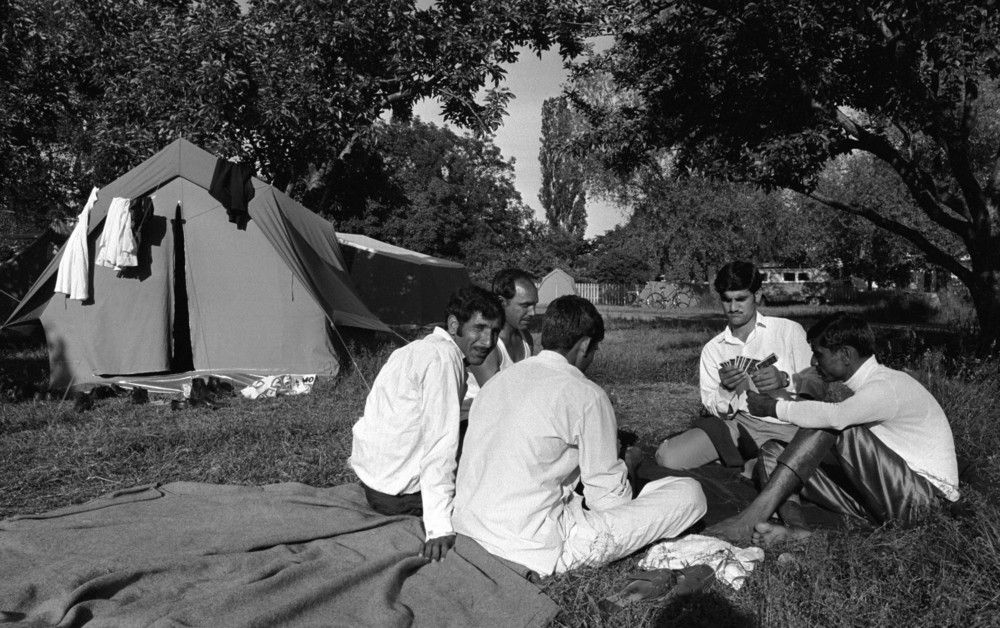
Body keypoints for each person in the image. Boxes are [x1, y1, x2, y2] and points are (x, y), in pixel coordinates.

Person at [453, 295, 707, 577]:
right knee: (690, 494)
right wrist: (628, 465)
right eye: (594, 349)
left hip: (467, 528)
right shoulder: (586, 395)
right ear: (585, 345)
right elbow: (609, 503)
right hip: (531, 547)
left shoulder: (497, 382)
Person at [706, 313, 960, 545]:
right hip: (884, 496)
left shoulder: (888, 385)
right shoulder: (867, 388)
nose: (814, 362)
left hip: (925, 503)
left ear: (845, 355)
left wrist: (772, 407)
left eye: (819, 354)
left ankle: (753, 515)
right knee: (773, 451)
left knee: (831, 422)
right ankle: (797, 530)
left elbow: (836, 418)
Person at [349, 286, 503, 561]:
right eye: (479, 328)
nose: (487, 341)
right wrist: (439, 528)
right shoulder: (443, 360)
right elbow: (439, 446)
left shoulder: (417, 349)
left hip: (374, 481)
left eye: (494, 332)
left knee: (473, 423)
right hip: (397, 498)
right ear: (455, 324)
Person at [655, 261, 824, 473]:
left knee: (785, 471)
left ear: (758, 295)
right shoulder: (713, 349)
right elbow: (715, 409)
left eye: (741, 299)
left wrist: (785, 379)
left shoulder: (788, 331)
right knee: (668, 457)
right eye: (727, 300)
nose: (733, 308)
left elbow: (819, 385)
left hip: (788, 425)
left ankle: (750, 462)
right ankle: (747, 459)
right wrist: (725, 390)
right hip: (740, 424)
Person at [467, 268, 538, 388]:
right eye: (525, 305)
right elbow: (495, 397)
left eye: (534, 304)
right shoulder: (486, 344)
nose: (533, 313)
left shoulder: (525, 337)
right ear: (501, 302)